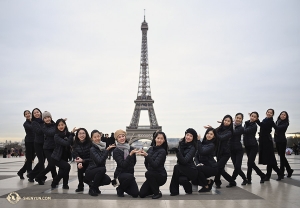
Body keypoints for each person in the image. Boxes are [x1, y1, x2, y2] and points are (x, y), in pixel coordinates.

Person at [205, 115, 236, 188]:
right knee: (220, 168)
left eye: (228, 121)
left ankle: (232, 181)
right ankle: (218, 182)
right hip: (219, 152)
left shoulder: (229, 132)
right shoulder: (219, 129)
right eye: (225, 120)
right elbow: (213, 133)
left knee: (218, 168)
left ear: (231, 123)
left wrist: (213, 130)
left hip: (225, 153)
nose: (226, 122)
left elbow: (221, 138)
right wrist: (210, 129)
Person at [256, 109, 284, 181]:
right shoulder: (265, 119)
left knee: (270, 159)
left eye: (271, 113)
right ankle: (269, 175)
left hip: (267, 141)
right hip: (263, 140)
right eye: (268, 112)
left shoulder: (270, 121)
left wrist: (257, 120)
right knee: (269, 160)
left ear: (272, 114)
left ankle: (278, 173)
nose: (269, 113)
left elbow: (263, 125)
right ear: (266, 113)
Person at [139, 131, 168, 199]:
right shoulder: (150, 149)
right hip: (152, 175)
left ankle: (157, 193)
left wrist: (146, 156)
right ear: (155, 139)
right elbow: (146, 163)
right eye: (158, 138)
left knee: (148, 173)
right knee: (141, 194)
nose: (159, 140)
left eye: (161, 139)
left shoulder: (162, 151)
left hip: (161, 176)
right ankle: (155, 188)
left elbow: (155, 165)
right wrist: (146, 156)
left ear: (164, 140)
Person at [85, 130, 114, 196]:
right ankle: (94, 189)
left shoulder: (102, 146)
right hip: (91, 171)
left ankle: (92, 185)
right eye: (95, 137)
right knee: (103, 169)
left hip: (98, 171)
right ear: (92, 138)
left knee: (107, 180)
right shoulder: (92, 149)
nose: (97, 138)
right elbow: (100, 161)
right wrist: (107, 151)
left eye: (98, 136)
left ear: (100, 136)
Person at [169, 128, 198, 196]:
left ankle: (174, 191)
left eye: (191, 136)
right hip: (183, 169)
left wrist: (177, 151)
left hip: (191, 170)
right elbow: (180, 161)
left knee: (176, 167)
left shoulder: (193, 148)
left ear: (193, 138)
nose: (188, 137)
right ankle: (189, 189)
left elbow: (184, 161)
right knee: (181, 179)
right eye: (187, 135)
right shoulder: (181, 144)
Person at [113, 129, 139, 198]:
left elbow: (134, 162)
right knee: (129, 176)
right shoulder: (116, 151)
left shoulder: (131, 148)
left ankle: (121, 188)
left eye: (123, 136)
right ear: (117, 139)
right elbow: (123, 165)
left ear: (125, 136)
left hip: (130, 175)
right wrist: (130, 155)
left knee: (135, 194)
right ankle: (120, 188)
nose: (122, 138)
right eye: (119, 137)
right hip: (120, 174)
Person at [51, 119, 77, 189]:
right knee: (67, 167)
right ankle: (56, 182)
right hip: (57, 157)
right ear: (56, 127)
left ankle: (64, 184)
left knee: (62, 172)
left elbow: (72, 143)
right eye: (59, 125)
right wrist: (71, 134)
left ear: (65, 125)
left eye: (62, 124)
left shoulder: (67, 134)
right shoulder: (56, 136)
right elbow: (67, 143)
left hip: (65, 157)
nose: (61, 126)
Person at [192, 128, 218, 192]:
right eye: (208, 133)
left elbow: (202, 152)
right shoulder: (203, 143)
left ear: (214, 136)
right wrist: (198, 163)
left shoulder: (212, 145)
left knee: (198, 169)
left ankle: (206, 186)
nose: (209, 135)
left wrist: (198, 141)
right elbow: (196, 156)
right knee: (197, 169)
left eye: (211, 134)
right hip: (203, 166)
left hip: (212, 167)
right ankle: (208, 182)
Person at [34, 111, 57, 185]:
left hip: (54, 147)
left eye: (48, 117)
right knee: (52, 164)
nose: (47, 119)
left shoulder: (54, 125)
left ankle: (55, 179)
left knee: (52, 164)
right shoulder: (43, 126)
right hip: (47, 148)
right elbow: (50, 133)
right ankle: (39, 176)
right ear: (43, 119)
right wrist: (57, 128)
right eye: (45, 118)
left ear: (51, 118)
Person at [243, 112, 266, 184]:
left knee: (250, 162)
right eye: (252, 116)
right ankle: (250, 178)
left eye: (254, 117)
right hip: (247, 145)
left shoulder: (254, 126)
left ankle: (259, 176)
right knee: (250, 163)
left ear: (256, 119)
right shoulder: (246, 123)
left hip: (253, 146)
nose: (252, 117)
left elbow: (245, 131)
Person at [27, 108, 46, 183]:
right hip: (37, 143)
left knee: (43, 161)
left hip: (45, 143)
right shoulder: (34, 122)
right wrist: (45, 126)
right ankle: (40, 178)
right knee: (41, 161)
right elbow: (39, 131)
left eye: (37, 112)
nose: (36, 114)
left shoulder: (43, 121)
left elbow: (53, 125)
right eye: (34, 113)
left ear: (40, 113)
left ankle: (31, 175)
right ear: (33, 115)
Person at [230, 113, 248, 185]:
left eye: (240, 118)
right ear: (235, 118)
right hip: (231, 149)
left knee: (237, 167)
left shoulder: (241, 128)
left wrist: (228, 126)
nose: (238, 119)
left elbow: (233, 133)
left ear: (242, 120)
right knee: (236, 167)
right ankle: (245, 178)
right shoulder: (231, 126)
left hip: (238, 150)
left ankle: (232, 180)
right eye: (237, 117)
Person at [274, 111, 293, 178]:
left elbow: (278, 128)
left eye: (284, 115)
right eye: (282, 114)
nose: (283, 116)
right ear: (280, 115)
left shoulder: (286, 123)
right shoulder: (277, 121)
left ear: (286, 117)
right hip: (277, 140)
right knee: (281, 156)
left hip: (282, 141)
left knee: (282, 157)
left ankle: (281, 172)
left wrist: (272, 124)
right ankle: (289, 170)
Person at [72, 128, 92, 192]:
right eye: (80, 133)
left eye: (83, 133)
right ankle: (80, 185)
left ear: (86, 134)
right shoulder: (75, 145)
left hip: (90, 162)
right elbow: (76, 155)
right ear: (77, 135)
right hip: (81, 162)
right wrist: (79, 162)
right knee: (80, 169)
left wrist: (83, 160)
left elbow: (92, 157)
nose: (82, 135)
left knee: (89, 172)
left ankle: (91, 185)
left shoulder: (90, 144)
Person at [17, 110, 35, 179]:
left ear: (30, 114)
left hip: (34, 141)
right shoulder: (26, 123)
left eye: (28, 113)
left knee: (31, 158)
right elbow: (31, 127)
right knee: (29, 158)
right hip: (29, 141)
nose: (27, 115)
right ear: (24, 116)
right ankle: (29, 173)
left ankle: (21, 172)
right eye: (26, 114)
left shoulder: (33, 121)